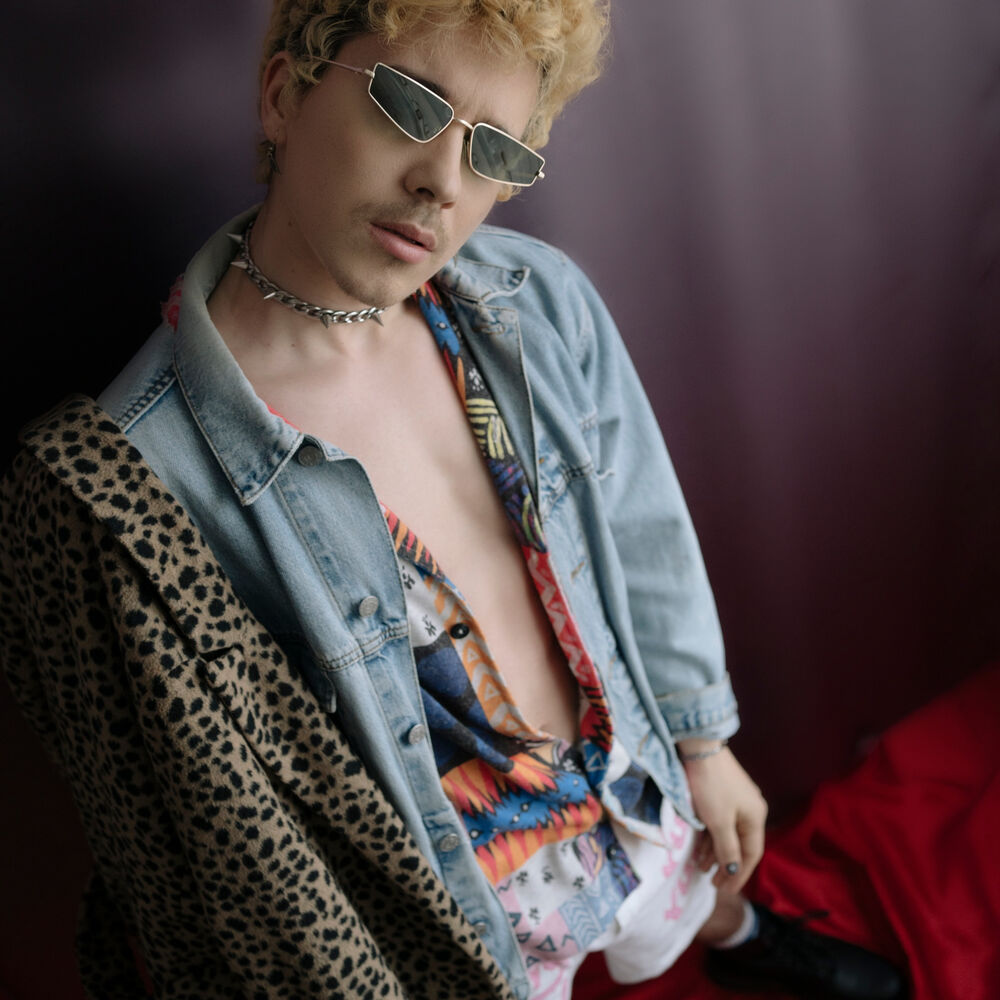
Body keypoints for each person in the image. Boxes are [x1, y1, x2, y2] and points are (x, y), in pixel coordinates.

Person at [0, 2, 906, 998]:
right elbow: (220, 824)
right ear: (283, 94)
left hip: (625, 773)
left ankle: (741, 935)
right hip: (478, 907)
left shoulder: (537, 300)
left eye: (494, 151)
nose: (443, 180)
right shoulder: (145, 479)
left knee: (689, 889)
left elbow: (642, 522)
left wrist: (699, 737)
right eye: (408, 105)